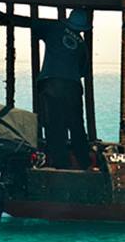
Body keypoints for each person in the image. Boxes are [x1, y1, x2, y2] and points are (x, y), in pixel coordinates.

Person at [33, 9, 92, 168]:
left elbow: (33, 25)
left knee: (54, 126)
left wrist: (6, 18)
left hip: (50, 82)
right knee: (76, 126)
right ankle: (83, 163)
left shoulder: (54, 28)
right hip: (72, 86)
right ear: (82, 29)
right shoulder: (81, 45)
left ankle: (60, 164)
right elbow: (83, 71)